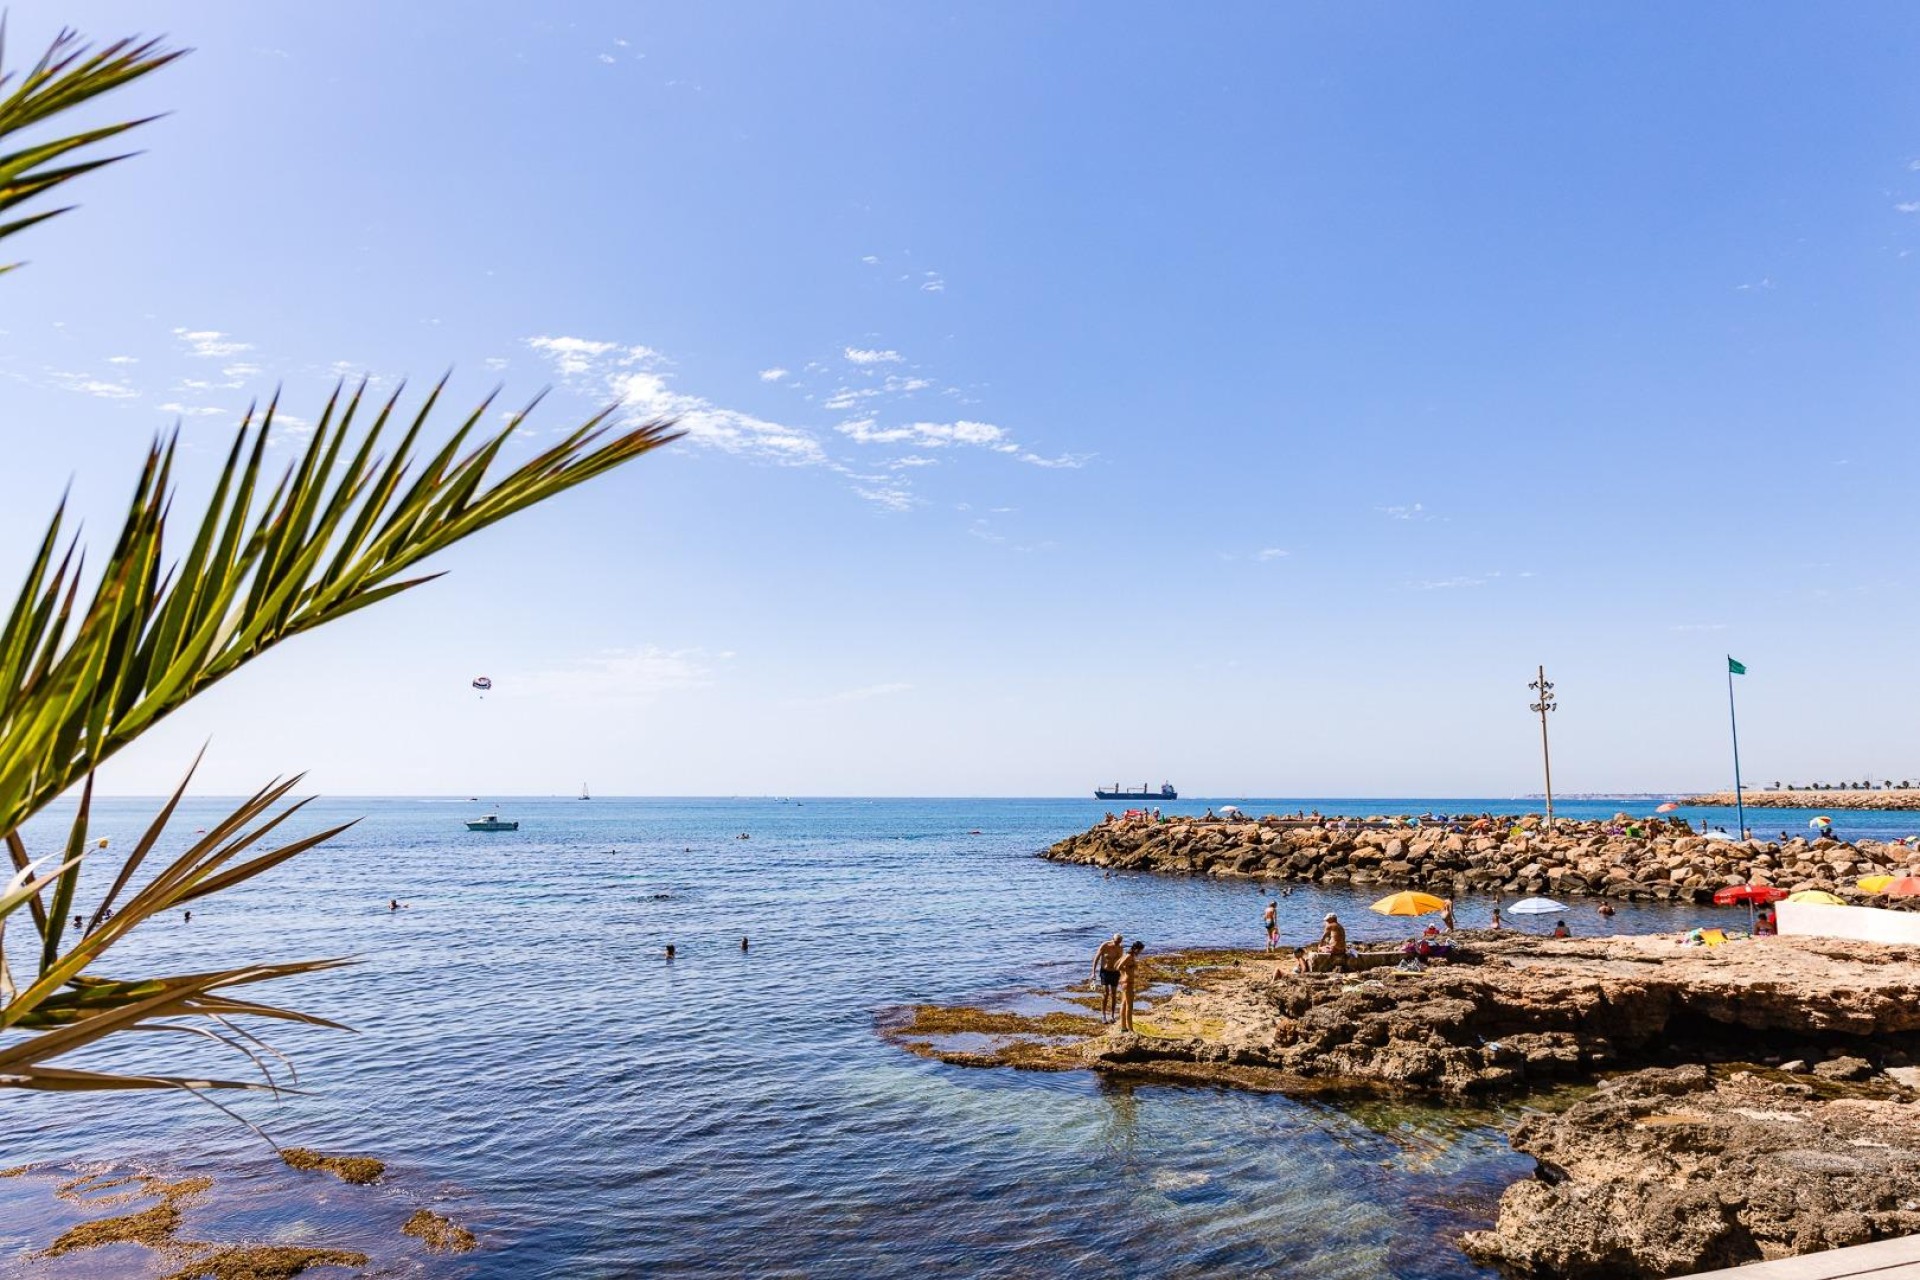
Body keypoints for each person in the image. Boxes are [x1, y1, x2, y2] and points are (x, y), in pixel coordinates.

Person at [1092, 933, 1125, 1022]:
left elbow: (1121, 961)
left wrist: (1124, 975)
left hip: (1115, 973)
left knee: (1114, 994)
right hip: (1105, 972)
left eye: (1119, 942)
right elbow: (1096, 958)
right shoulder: (1105, 945)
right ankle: (1103, 1015)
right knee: (1105, 993)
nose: (1117, 944)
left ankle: (1112, 1016)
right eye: (1116, 942)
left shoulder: (1120, 948)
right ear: (1112, 939)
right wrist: (1093, 973)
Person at [1117, 941, 1145, 1032]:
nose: (1140, 953)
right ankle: (1130, 1029)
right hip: (1127, 983)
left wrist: (1124, 973)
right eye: (1140, 951)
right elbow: (1118, 966)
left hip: (1127, 982)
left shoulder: (1128, 955)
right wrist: (1125, 973)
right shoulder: (1128, 956)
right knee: (1129, 1006)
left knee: (1124, 1004)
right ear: (1136, 949)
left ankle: (1123, 1028)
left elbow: (1117, 964)